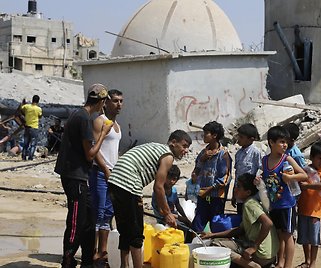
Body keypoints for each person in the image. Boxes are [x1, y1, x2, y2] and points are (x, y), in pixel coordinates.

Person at [107, 130, 192, 268]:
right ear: (173, 142)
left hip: (115, 181)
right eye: (184, 146)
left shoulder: (157, 148)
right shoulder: (168, 156)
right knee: (136, 234)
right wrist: (167, 213)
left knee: (125, 229)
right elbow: (159, 187)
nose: (186, 150)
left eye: (188, 147)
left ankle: (124, 266)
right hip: (128, 183)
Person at [54, 83, 113, 268]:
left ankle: (88, 260)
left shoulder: (78, 115)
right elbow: (90, 154)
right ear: (101, 102)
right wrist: (103, 134)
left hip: (79, 176)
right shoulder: (85, 119)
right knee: (76, 221)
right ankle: (68, 259)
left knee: (89, 219)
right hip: (75, 176)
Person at [202, 173, 279, 268]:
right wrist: (212, 235)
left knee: (216, 245)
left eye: (238, 187)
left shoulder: (249, 205)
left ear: (248, 192)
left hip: (261, 255)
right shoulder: (253, 202)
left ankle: (252, 265)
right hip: (270, 255)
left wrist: (254, 247)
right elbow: (240, 230)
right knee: (229, 240)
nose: (235, 189)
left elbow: (268, 223)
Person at [261, 126, 307, 268]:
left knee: (287, 236)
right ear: (271, 142)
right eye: (281, 141)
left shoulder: (287, 159)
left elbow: (304, 175)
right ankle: (280, 262)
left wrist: (291, 177)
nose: (285, 145)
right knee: (279, 235)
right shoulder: (265, 160)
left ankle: (287, 265)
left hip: (287, 205)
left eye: (285, 142)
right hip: (274, 204)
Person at [88, 89, 123, 264]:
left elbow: (113, 152)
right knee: (98, 212)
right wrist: (106, 170)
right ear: (106, 102)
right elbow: (94, 151)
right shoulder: (99, 121)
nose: (119, 105)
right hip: (100, 173)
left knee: (108, 214)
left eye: (121, 101)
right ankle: (92, 252)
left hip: (113, 174)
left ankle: (103, 251)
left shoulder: (117, 126)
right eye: (115, 101)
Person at [191, 121, 232, 233]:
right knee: (197, 224)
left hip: (216, 196)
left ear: (214, 136)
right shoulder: (203, 153)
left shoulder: (223, 154)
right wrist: (202, 160)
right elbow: (195, 172)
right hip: (203, 194)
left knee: (216, 224)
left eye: (206, 133)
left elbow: (225, 178)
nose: (204, 136)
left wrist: (209, 189)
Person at [296, 142, 321, 268]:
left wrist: (307, 186)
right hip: (303, 209)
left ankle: (313, 263)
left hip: (315, 211)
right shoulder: (305, 171)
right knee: (305, 238)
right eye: (319, 158)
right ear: (312, 157)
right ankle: (307, 260)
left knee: (314, 240)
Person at [232, 123, 262, 215]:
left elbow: (262, 170)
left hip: (251, 195)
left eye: (241, 137)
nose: (238, 139)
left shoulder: (256, 153)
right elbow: (237, 174)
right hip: (240, 194)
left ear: (251, 139)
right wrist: (234, 193)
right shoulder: (238, 154)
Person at [21, 95, 42, 160]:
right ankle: (30, 157)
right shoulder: (38, 109)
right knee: (33, 144)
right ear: (38, 101)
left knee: (26, 143)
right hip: (34, 127)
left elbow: (21, 109)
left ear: (32, 99)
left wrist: (23, 102)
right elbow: (40, 116)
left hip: (27, 127)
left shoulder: (27, 106)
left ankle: (24, 156)